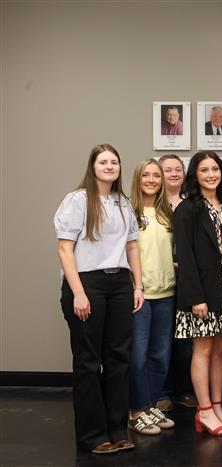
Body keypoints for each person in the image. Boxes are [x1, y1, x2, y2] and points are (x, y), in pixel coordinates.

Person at [54, 143, 144, 454]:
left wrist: (138, 285)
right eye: (103, 162)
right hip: (87, 283)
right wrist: (78, 292)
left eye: (114, 162)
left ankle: (117, 430)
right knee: (89, 362)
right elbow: (64, 249)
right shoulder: (77, 200)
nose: (109, 166)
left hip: (119, 283)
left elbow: (132, 246)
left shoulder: (123, 202)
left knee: (119, 359)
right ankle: (93, 436)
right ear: (92, 167)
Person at [174, 151, 222, 437]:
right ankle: (203, 410)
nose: (211, 174)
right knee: (202, 349)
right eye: (204, 170)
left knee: (220, 350)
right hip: (202, 291)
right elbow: (185, 256)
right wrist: (195, 297)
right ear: (195, 175)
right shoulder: (188, 208)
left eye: (215, 169)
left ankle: (216, 406)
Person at [127, 159, 177, 436]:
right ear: (137, 179)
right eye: (145, 175)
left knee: (161, 355)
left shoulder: (167, 212)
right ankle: (137, 411)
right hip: (140, 295)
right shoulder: (128, 212)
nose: (151, 180)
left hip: (166, 293)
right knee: (138, 356)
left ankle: (151, 405)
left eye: (156, 175)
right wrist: (135, 286)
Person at [155, 155, 198, 412]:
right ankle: (162, 393)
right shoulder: (152, 204)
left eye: (177, 169)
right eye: (167, 170)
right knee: (161, 340)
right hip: (159, 280)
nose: (173, 174)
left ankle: (183, 390)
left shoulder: (192, 203)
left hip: (186, 281)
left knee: (185, 341)